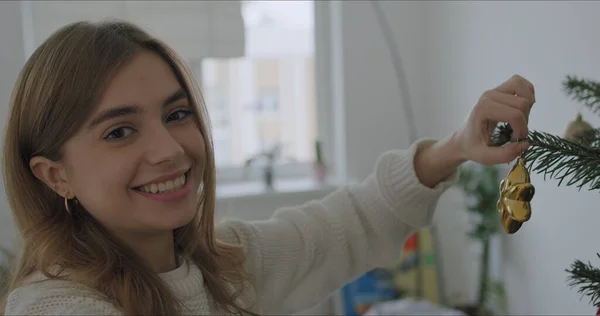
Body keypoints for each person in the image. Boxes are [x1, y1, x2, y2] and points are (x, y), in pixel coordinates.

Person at [0, 20, 535, 316]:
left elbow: (348, 224)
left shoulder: (225, 267)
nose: (170, 149)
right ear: (54, 175)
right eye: (120, 131)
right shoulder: (52, 308)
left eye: (177, 114)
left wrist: (455, 148)